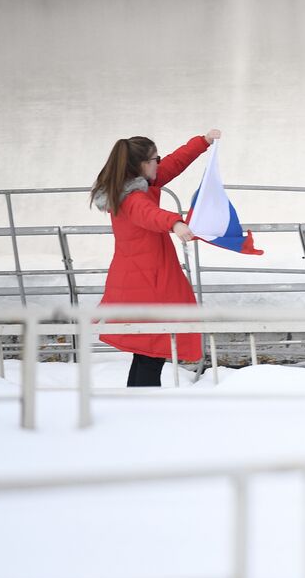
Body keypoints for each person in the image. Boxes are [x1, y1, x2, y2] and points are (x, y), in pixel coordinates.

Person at [90, 130, 221, 387]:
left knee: (146, 354)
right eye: (155, 159)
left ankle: (137, 406)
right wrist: (176, 224)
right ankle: (145, 410)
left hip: (138, 280)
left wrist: (202, 142)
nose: (159, 163)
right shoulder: (134, 198)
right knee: (153, 352)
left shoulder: (136, 186)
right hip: (147, 285)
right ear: (142, 165)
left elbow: (174, 162)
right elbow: (149, 214)